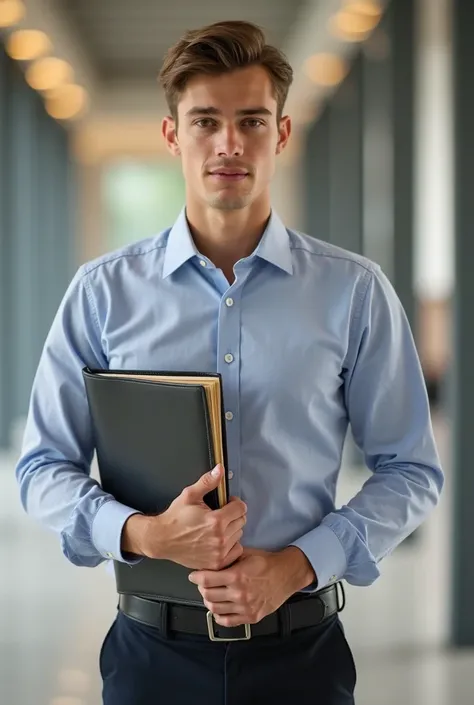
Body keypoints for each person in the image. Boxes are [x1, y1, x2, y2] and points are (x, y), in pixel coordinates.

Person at [15, 19, 444, 705]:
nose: (229, 143)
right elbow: (40, 468)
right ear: (172, 135)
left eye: (250, 120)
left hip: (304, 658)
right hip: (149, 657)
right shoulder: (102, 293)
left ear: (281, 133)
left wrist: (298, 564)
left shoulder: (353, 291)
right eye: (206, 120)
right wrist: (143, 532)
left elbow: (412, 470)